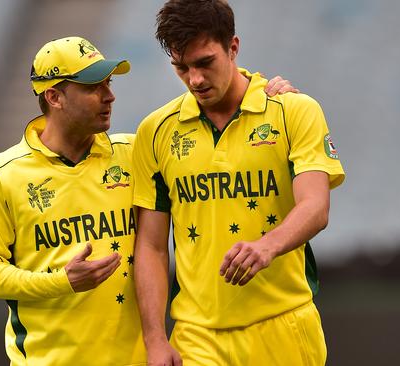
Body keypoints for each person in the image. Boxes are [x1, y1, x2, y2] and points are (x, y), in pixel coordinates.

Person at [0, 35, 298, 365]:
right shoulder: (3, 173)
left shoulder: (133, 152)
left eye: (108, 83)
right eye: (93, 87)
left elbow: (213, 140)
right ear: (54, 97)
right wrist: (60, 282)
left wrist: (268, 97)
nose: (109, 96)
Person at [131, 1, 346, 365]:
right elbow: (150, 246)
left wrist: (268, 246)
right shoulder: (155, 131)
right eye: (181, 68)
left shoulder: (293, 111)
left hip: (284, 324)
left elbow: (316, 207)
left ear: (233, 47)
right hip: (196, 335)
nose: (194, 79)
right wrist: (154, 339)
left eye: (204, 63)